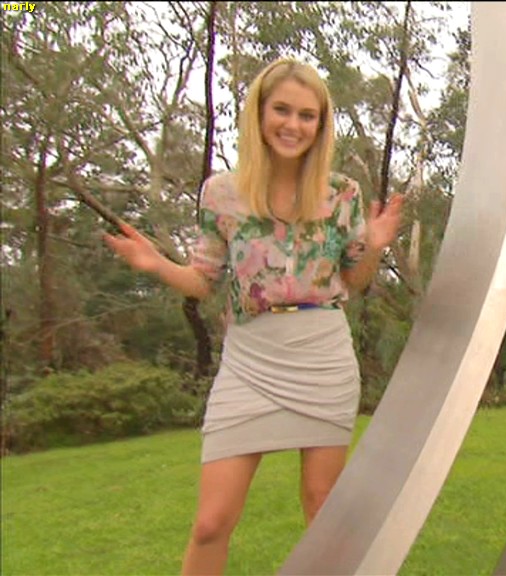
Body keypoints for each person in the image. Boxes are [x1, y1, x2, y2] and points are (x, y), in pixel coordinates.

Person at [104, 57, 404, 575]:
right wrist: (155, 264)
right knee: (211, 522)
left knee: (323, 509)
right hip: (250, 362)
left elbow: (354, 281)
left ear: (321, 124)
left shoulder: (341, 193)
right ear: (259, 114)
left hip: (322, 357)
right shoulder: (222, 193)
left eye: (307, 115)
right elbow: (204, 280)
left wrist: (374, 244)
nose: (293, 125)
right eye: (282, 110)